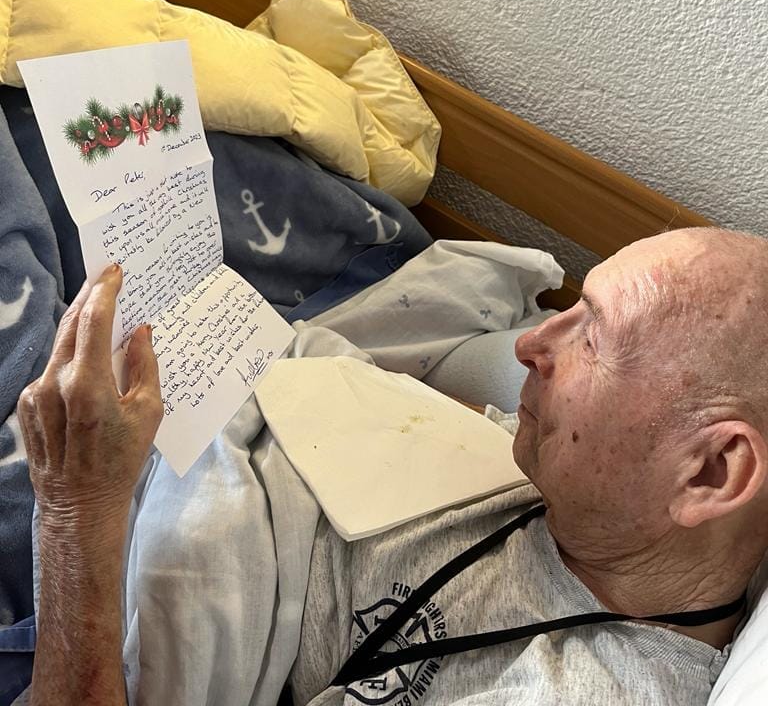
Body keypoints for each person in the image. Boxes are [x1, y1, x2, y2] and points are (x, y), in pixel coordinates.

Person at [16, 228, 768, 705]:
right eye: (566, 309)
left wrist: (74, 511)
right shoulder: (580, 498)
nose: (531, 345)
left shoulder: (578, 688)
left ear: (710, 474)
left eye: (593, 340)